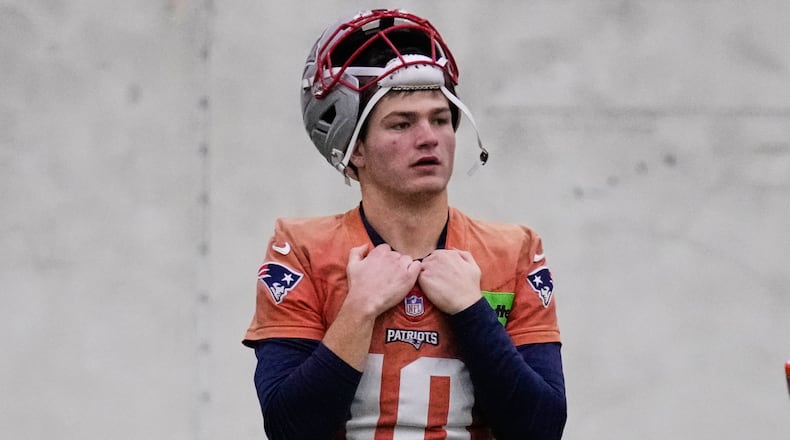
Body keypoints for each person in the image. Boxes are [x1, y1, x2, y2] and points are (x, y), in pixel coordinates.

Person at [243, 8, 567, 439]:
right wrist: (360, 309)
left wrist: (472, 311)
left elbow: (540, 428)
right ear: (354, 147)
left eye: (439, 118)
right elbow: (291, 428)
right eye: (401, 123)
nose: (429, 137)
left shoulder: (514, 251)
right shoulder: (302, 249)